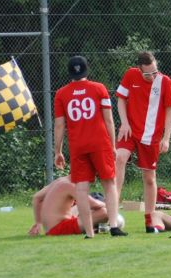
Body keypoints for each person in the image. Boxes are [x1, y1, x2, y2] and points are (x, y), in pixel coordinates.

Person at [53, 55, 126, 238]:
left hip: (78, 145)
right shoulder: (99, 88)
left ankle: (89, 232)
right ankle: (114, 226)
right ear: (87, 69)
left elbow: (59, 125)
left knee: (81, 189)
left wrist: (58, 151)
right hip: (99, 143)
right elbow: (108, 120)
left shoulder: (61, 94)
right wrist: (113, 145)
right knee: (109, 183)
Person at [115, 51, 171, 232]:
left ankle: (150, 219)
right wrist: (124, 123)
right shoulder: (131, 74)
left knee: (149, 178)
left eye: (154, 72)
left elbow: (170, 110)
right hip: (130, 131)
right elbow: (120, 99)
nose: (152, 76)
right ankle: (111, 210)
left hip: (151, 136)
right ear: (139, 69)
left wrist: (166, 138)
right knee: (119, 158)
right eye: (147, 74)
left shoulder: (165, 82)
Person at [28, 176, 116, 236]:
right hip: (58, 228)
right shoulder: (70, 185)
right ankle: (97, 228)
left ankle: (93, 227)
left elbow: (37, 197)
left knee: (81, 207)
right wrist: (110, 205)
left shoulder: (60, 181)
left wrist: (38, 223)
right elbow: (93, 204)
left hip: (53, 227)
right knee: (105, 212)